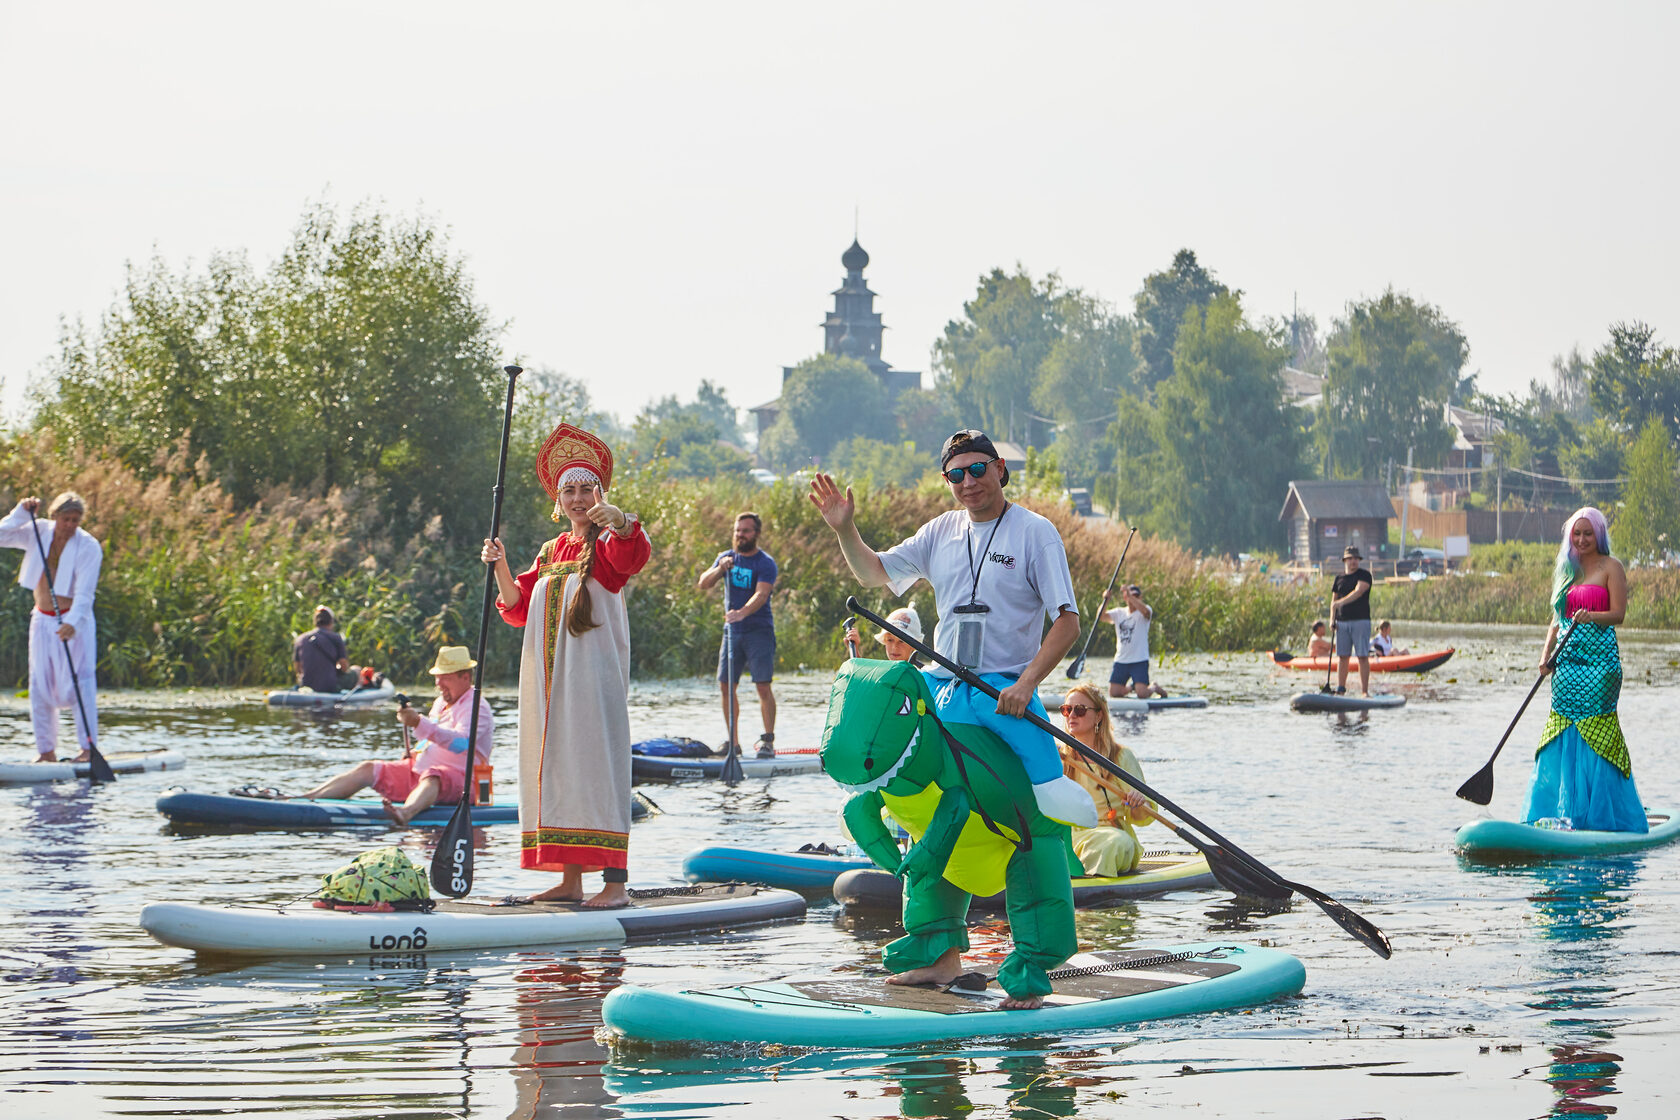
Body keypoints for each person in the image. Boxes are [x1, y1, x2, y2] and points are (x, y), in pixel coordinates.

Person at [808, 428, 1096, 828]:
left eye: (977, 469)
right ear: (947, 481)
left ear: (999, 469)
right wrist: (844, 529)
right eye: (956, 475)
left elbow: (1068, 623)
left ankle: (1050, 791)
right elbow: (871, 574)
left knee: (1035, 769)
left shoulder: (1036, 532)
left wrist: (1027, 683)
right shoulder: (939, 531)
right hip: (943, 683)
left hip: (1002, 690)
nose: (969, 482)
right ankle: (872, 799)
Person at [483, 422, 651, 907]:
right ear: (558, 501)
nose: (578, 499)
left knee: (596, 765)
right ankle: (571, 880)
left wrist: (619, 519)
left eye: (586, 489)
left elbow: (631, 557)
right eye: (570, 491)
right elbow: (517, 607)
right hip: (551, 684)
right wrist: (499, 563)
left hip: (592, 680)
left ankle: (614, 886)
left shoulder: (607, 543)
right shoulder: (551, 550)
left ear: (599, 494)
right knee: (557, 767)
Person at [1525, 508, 1646, 834]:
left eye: (1587, 533)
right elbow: (1557, 619)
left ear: (1599, 536)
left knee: (1597, 732)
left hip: (1599, 667)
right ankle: (1559, 815)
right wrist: (1545, 655)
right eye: (1576, 534)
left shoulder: (1611, 567)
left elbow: (1619, 614)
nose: (1581, 539)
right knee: (1560, 732)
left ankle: (1603, 817)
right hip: (1566, 668)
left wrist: (1592, 616)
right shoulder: (1568, 569)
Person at [293, 646, 493, 826]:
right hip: (422, 773)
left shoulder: (477, 706)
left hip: (468, 783)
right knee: (367, 768)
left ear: (465, 677)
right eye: (437, 677)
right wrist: (416, 752)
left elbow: (460, 743)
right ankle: (304, 799)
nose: (439, 683)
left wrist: (417, 722)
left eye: (445, 677)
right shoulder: (441, 703)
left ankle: (405, 813)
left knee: (434, 774)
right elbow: (431, 738)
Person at [0, 492, 103, 763]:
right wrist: (21, 513)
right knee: (39, 684)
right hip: (42, 619)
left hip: (73, 622)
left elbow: (85, 593)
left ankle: (87, 749)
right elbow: (1, 535)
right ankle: (46, 751)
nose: (70, 525)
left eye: (75, 520)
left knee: (81, 683)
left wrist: (73, 622)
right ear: (54, 515)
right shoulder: (38, 530)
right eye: (65, 519)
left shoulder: (88, 546)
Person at [696, 511, 779, 758]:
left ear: (756, 534)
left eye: (745, 531)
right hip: (732, 632)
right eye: (737, 531)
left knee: (762, 686)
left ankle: (767, 741)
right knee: (726, 686)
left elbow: (761, 595)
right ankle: (732, 742)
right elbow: (703, 583)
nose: (740, 535)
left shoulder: (765, 563)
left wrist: (741, 613)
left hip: (759, 631)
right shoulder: (726, 558)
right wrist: (719, 569)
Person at [1058, 681, 1155, 876]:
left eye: (1080, 710)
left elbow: (1145, 817)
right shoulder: (1058, 756)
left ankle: (1087, 883)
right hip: (1069, 838)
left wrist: (1136, 804)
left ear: (1099, 715)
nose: (1072, 716)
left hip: (1110, 836)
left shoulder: (1120, 756)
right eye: (1067, 710)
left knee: (1117, 843)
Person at [1104, 583, 1167, 699]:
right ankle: (1133, 687)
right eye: (1130, 596)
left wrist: (1130, 596)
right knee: (1114, 693)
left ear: (1140, 598)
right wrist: (1106, 600)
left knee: (1142, 694)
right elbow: (1101, 617)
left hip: (1139, 659)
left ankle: (1153, 687)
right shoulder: (1119, 612)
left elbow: (1146, 613)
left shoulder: (1145, 610)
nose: (1134, 598)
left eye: (1136, 596)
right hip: (1121, 660)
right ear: (1125, 598)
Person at [1330, 545, 1373, 696]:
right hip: (1342, 622)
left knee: (1362, 656)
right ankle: (1341, 688)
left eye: (1355, 559)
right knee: (1342, 657)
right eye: (1350, 559)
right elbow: (1333, 601)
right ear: (1345, 561)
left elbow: (1359, 591)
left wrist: (1341, 603)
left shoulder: (1364, 575)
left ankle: (1364, 691)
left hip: (1360, 620)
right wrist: (1332, 619)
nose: (1353, 562)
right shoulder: (1339, 579)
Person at [293, 605, 351, 692]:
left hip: (307, 686)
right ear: (331, 621)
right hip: (330, 686)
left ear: (315, 621)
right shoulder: (336, 638)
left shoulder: (300, 639)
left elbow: (298, 669)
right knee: (357, 671)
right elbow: (344, 668)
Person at [844, 602, 924, 664]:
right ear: (884, 641)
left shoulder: (921, 677)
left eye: (901, 641)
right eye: (890, 640)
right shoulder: (882, 672)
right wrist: (855, 649)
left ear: (914, 645)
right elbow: (862, 678)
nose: (894, 647)